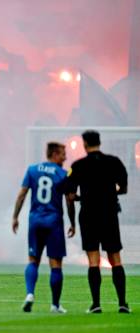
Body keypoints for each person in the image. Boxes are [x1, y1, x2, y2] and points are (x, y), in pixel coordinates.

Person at [67, 130, 130, 314]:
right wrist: (109, 194)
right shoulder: (114, 162)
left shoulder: (78, 166)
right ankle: (123, 303)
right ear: (99, 142)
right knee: (115, 259)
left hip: (88, 216)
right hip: (109, 214)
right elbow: (124, 188)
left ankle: (96, 304)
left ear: (85, 144)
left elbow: (70, 196)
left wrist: (75, 213)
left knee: (93, 260)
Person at [12, 142, 76, 313]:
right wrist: (73, 222)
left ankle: (30, 294)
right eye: (63, 154)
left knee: (33, 260)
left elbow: (22, 195)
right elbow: (69, 200)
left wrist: (15, 217)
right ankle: (55, 305)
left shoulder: (32, 170)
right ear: (54, 154)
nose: (65, 157)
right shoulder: (63, 174)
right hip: (54, 222)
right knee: (55, 264)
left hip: (35, 221)